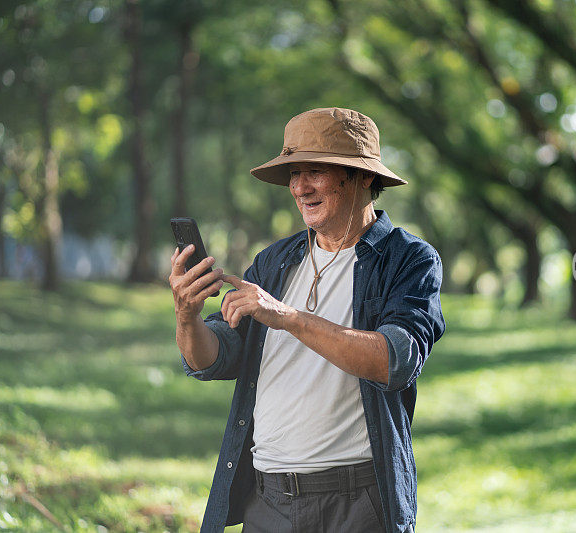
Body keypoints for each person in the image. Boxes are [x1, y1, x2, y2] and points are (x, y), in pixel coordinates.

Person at [169, 107, 445, 533]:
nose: (299, 187)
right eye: (294, 173)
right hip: (269, 503)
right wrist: (187, 317)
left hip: (360, 506)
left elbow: (394, 362)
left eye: (314, 170)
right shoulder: (274, 261)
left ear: (363, 176)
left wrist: (288, 316)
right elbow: (215, 358)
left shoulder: (408, 259)